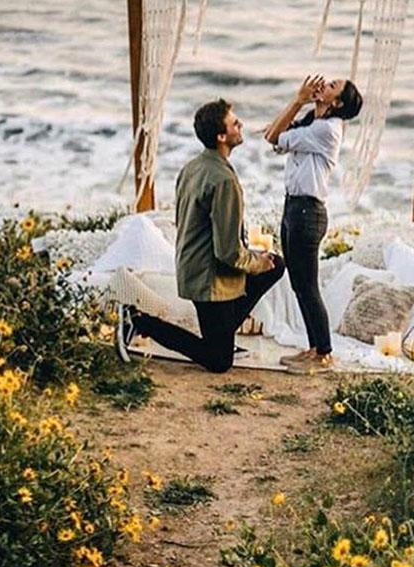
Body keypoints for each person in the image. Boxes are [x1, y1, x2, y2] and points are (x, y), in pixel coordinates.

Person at [116, 98, 284, 373]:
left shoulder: (192, 167)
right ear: (221, 136)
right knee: (219, 361)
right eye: (234, 123)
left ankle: (223, 332)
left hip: (191, 266)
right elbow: (228, 252)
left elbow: (187, 223)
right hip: (210, 282)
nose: (240, 124)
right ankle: (139, 321)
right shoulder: (223, 180)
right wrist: (257, 262)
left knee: (275, 265)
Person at [264, 75, 363, 374]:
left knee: (307, 286)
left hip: (308, 212)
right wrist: (300, 106)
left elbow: (273, 136)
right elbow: (274, 136)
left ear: (338, 103)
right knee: (299, 285)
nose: (324, 85)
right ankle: (314, 348)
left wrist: (297, 100)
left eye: (332, 86)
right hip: (293, 207)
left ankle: (324, 353)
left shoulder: (326, 129)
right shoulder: (312, 123)